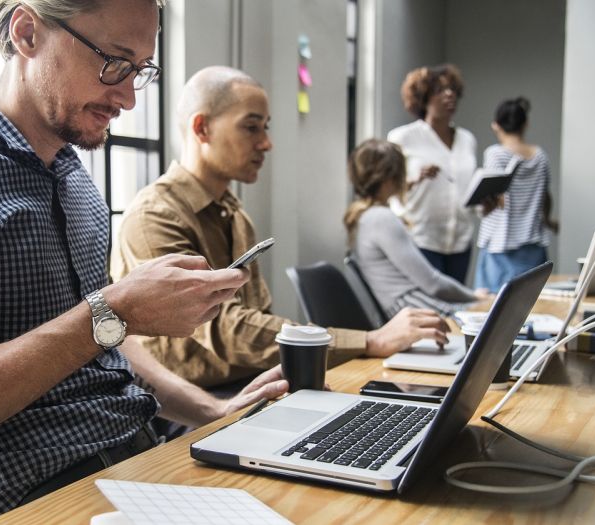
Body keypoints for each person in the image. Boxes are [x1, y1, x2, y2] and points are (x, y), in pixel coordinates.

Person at [0, 2, 289, 523]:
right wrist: (110, 312)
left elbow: (108, 337)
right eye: (113, 60)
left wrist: (211, 411)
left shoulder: (77, 184)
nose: (128, 98)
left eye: (140, 70)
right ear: (26, 32)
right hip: (38, 495)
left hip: (139, 456)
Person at [111, 66, 451, 407]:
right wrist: (370, 340)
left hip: (252, 381)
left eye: (266, 127)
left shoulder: (234, 213)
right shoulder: (154, 217)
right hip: (188, 405)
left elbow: (255, 320)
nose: (266, 143)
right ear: (202, 128)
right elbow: (227, 330)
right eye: (251, 126)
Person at [344, 139, 486, 317]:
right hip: (417, 311)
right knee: (497, 312)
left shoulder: (364, 217)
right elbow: (433, 284)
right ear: (391, 177)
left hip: (411, 308)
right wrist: (476, 298)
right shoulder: (381, 218)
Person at [387, 64, 477, 284]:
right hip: (420, 240)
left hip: (460, 240)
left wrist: (485, 202)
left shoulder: (467, 140)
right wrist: (415, 178)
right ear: (423, 98)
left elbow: (466, 189)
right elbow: (387, 188)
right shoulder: (402, 138)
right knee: (428, 310)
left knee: (453, 309)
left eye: (453, 90)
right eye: (440, 90)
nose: (449, 94)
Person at [475, 97, 558, 292]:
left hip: (500, 246)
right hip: (533, 245)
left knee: (493, 311)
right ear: (525, 124)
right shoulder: (540, 156)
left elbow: (492, 196)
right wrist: (548, 220)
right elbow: (545, 196)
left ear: (496, 125)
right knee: (532, 305)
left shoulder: (495, 154)